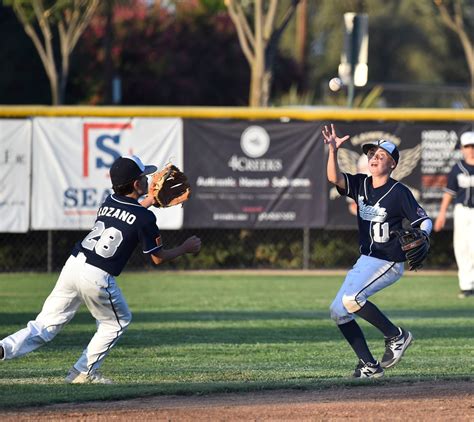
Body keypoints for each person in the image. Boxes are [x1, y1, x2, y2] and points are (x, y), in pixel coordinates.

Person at [0, 155, 201, 384]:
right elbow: (158, 258)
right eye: (144, 176)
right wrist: (185, 248)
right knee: (116, 322)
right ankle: (83, 373)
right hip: (96, 275)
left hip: (74, 265)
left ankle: (3, 348)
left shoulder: (109, 201)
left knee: (43, 324)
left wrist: (150, 199)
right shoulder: (144, 217)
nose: (149, 180)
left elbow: (129, 213)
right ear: (136, 185)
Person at [322, 124, 432, 379]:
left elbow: (423, 220)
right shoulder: (361, 184)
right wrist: (332, 151)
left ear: (393, 164)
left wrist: (424, 233)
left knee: (351, 300)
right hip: (366, 259)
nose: (374, 158)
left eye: (381, 156)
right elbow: (334, 178)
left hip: (389, 260)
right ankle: (369, 365)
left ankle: (396, 336)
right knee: (338, 311)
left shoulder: (399, 192)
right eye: (372, 154)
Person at [434, 131, 474, 299]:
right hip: (462, 211)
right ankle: (466, 286)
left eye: (473, 146)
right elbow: (449, 193)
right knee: (462, 248)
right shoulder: (457, 168)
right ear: (461, 148)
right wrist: (442, 214)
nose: (470, 149)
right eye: (467, 146)